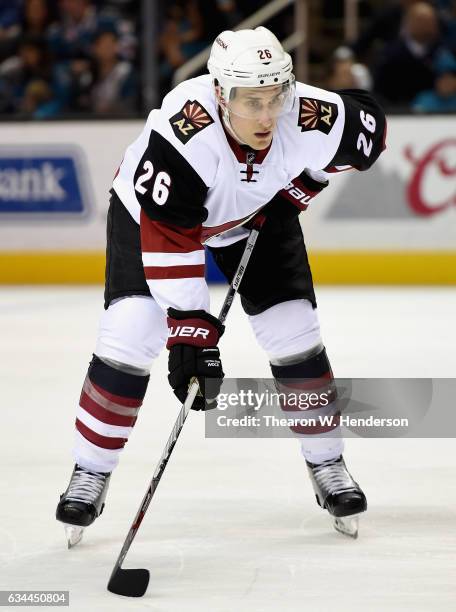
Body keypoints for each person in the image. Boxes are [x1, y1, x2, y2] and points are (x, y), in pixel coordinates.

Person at [56, 26, 386, 546]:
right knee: (132, 332)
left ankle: (328, 464)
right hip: (152, 217)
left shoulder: (305, 114)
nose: (265, 116)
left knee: (295, 331)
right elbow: (170, 238)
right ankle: (90, 470)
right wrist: (191, 334)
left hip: (252, 215)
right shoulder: (183, 135)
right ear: (218, 94)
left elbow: (368, 134)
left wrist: (303, 185)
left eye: (275, 97)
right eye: (249, 101)